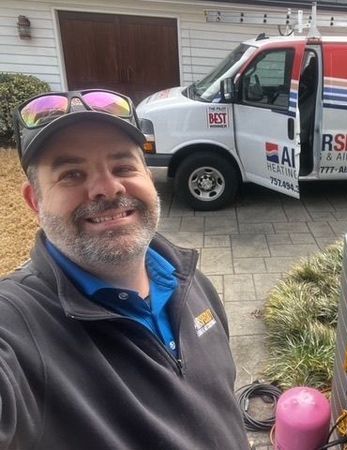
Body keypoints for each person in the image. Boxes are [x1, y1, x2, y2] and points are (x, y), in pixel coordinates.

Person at [0, 90, 249, 449]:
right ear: (34, 201)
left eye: (123, 167)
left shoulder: (190, 282)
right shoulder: (19, 327)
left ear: (147, 177)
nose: (106, 187)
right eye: (71, 174)